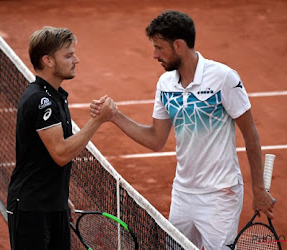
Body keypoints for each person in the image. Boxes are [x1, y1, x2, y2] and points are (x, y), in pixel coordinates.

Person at [90, 10, 276, 249]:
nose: (155, 55)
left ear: (178, 45)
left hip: (221, 195)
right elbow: (156, 139)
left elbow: (251, 134)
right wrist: (114, 116)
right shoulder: (166, 84)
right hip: (183, 193)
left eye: (159, 47)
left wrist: (259, 189)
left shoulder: (223, 78)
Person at [7, 26, 116, 249]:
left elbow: (46, 156)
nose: (76, 60)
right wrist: (97, 120)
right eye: (68, 55)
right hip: (31, 210)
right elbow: (61, 153)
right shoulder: (41, 101)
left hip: (52, 204)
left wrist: (59, 198)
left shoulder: (55, 96)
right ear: (48, 60)